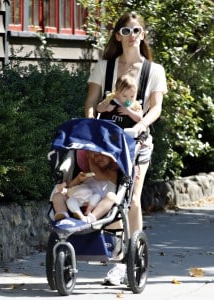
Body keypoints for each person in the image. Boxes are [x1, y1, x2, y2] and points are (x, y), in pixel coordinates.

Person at [84, 11, 167, 285]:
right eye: (126, 31)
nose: (132, 36)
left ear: (142, 35)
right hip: (106, 142)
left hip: (136, 141)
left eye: (136, 31)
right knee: (109, 195)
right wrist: (90, 125)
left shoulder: (154, 71)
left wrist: (141, 124)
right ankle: (115, 251)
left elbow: (156, 107)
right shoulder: (104, 67)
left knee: (130, 198)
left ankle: (126, 260)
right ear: (117, 36)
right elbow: (91, 102)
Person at [52, 150, 118, 223]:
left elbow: (97, 174)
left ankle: (90, 219)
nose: (99, 157)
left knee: (112, 197)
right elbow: (70, 187)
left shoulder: (113, 174)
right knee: (58, 195)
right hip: (78, 201)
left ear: (111, 157)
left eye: (104, 154)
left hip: (98, 204)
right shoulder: (88, 172)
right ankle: (62, 214)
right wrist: (78, 180)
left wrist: (90, 156)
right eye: (96, 154)